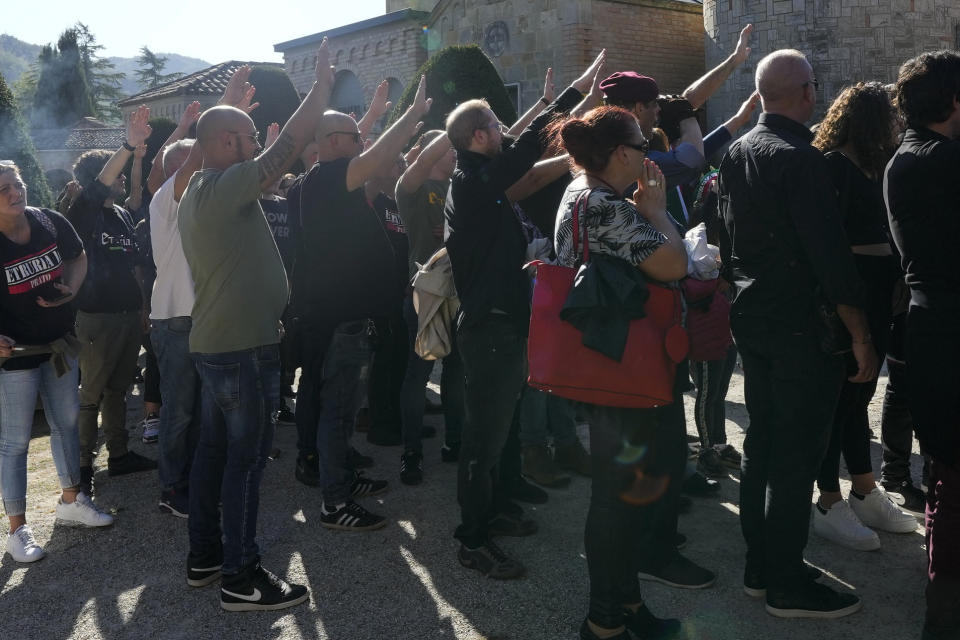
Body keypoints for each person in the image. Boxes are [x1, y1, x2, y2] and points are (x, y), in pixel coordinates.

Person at [718, 49, 878, 618]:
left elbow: (725, 237)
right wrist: (859, 332)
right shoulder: (802, 159)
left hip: (754, 316)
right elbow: (829, 256)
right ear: (808, 93)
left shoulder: (737, 150)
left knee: (762, 444)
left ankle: (763, 565)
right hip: (799, 326)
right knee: (792, 456)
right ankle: (783, 581)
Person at [176, 40, 335, 612]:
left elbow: (272, 154)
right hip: (241, 349)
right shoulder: (220, 187)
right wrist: (319, 89)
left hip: (224, 345)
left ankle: (205, 557)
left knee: (217, 456)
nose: (255, 143)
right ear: (224, 144)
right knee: (246, 463)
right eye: (245, 136)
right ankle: (241, 578)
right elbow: (288, 147)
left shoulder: (201, 188)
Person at [444, 50, 605, 579]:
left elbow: (520, 150)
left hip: (504, 322)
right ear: (478, 136)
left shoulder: (484, 181)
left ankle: (494, 509)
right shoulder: (472, 184)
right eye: (494, 123)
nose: (502, 130)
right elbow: (528, 145)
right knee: (482, 437)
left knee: (500, 428)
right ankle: (472, 539)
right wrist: (572, 95)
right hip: (488, 327)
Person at [549, 106, 688, 640]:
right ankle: (604, 620)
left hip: (606, 358)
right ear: (623, 153)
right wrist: (656, 211)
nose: (649, 158)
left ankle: (625, 604)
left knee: (625, 490)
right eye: (643, 148)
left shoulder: (579, 191)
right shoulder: (607, 207)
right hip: (619, 364)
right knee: (616, 494)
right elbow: (674, 264)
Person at [291, 76, 431, 530]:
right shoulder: (330, 177)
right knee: (336, 413)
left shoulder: (332, 180)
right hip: (338, 321)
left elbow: (370, 155)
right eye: (354, 137)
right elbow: (377, 158)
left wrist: (379, 116)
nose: (361, 142)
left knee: (344, 411)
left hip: (349, 318)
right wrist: (409, 118)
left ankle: (343, 479)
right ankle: (334, 502)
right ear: (334, 142)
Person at [809, 81, 917, 550]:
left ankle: (865, 489)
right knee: (839, 400)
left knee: (859, 396)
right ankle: (828, 502)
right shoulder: (834, 166)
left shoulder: (876, 166)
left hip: (877, 295)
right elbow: (829, 242)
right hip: (847, 298)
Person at [0, 160, 114, 564]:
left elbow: (78, 257)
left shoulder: (48, 220)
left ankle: (71, 501)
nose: (15, 194)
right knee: (14, 443)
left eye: (17, 184)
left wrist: (72, 291)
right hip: (15, 356)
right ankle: (17, 531)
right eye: (4, 190)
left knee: (65, 423)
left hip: (60, 344)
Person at [884, 49, 960, 640]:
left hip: (931, 327)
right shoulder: (944, 163)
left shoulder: (904, 158)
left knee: (944, 478)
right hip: (949, 330)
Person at [67, 106, 157, 495]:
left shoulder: (120, 215)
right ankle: (82, 466)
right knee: (90, 396)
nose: (120, 178)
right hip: (96, 318)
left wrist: (141, 308)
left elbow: (134, 267)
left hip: (125, 316)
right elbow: (103, 184)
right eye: (114, 172)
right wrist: (126, 145)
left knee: (118, 389)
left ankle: (118, 456)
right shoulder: (83, 214)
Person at [395, 129, 464, 483]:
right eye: (449, 148)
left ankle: (454, 441)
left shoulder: (461, 187)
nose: (455, 154)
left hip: (461, 294)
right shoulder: (415, 191)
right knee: (419, 371)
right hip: (426, 294)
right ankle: (411, 452)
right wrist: (454, 125)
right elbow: (418, 163)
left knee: (456, 371)